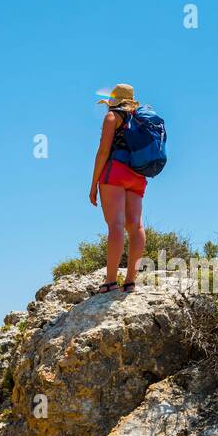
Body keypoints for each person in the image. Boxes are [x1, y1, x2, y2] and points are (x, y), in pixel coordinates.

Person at [88, 83, 147, 294]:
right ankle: (130, 281)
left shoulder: (113, 117)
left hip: (115, 173)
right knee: (136, 227)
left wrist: (94, 184)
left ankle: (110, 281)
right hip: (138, 176)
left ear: (114, 102)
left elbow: (103, 151)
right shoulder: (140, 118)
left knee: (115, 225)